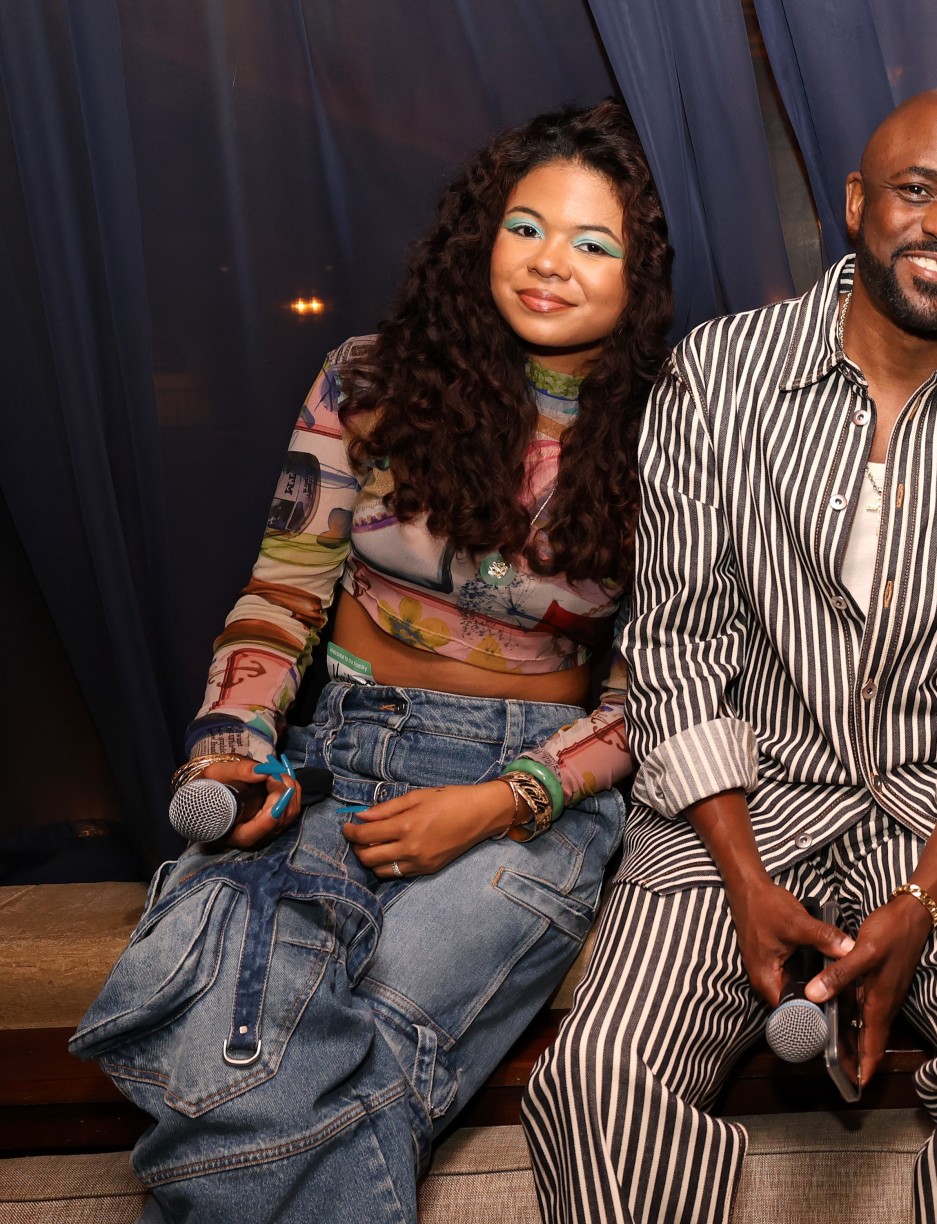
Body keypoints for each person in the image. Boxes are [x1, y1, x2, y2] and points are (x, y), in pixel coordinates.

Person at [520, 88, 937, 1224]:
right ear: (856, 204)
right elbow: (677, 644)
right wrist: (744, 882)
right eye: (916, 189)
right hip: (741, 804)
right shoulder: (717, 376)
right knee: (599, 1072)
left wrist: (919, 896)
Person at [70, 100, 670, 1222]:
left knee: (298, 1067)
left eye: (595, 244)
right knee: (245, 1045)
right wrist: (230, 755)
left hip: (529, 789)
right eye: (527, 227)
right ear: (480, 235)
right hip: (329, 761)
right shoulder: (365, 378)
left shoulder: (675, 430)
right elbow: (283, 590)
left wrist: (499, 799)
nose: (552, 264)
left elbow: (662, 693)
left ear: (638, 276)